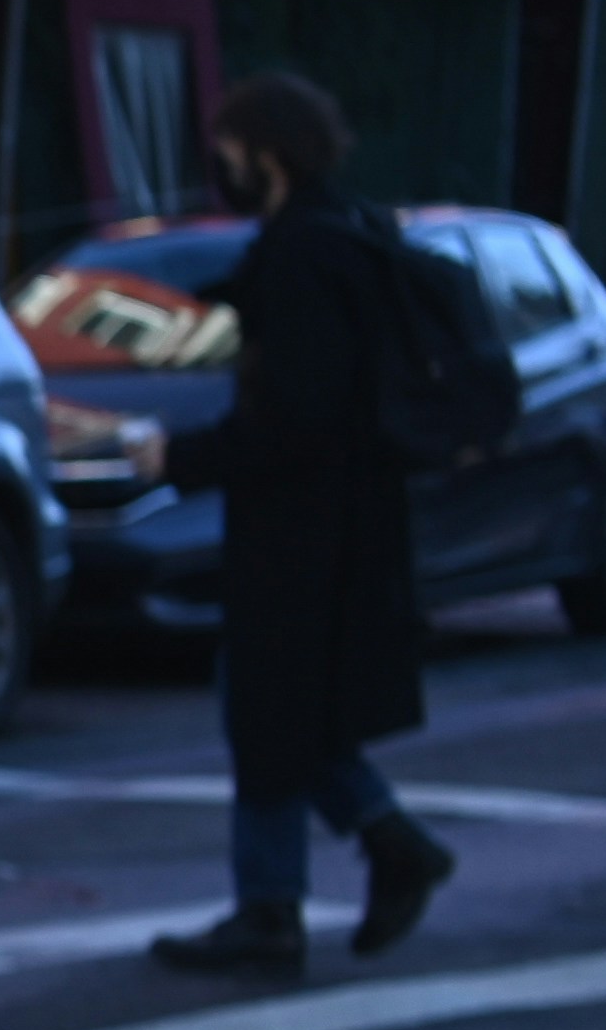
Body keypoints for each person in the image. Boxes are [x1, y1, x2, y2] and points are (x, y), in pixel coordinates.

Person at [140, 74, 458, 978]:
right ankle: (307, 882)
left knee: (269, 708)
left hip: (300, 532)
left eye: (230, 152)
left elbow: (295, 418)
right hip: (341, 523)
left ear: (267, 156)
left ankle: (308, 885)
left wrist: (180, 456)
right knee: (282, 710)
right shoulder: (343, 235)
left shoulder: (302, 258)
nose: (223, 168)